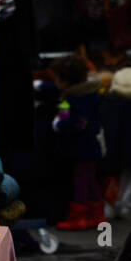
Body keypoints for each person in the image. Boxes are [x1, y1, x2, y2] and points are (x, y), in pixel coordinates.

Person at [49, 54, 106, 231]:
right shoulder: (77, 94)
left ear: (67, 81)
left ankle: (78, 216)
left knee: (81, 181)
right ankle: (97, 215)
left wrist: (60, 124)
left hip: (84, 148)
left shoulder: (79, 99)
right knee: (90, 180)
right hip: (89, 147)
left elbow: (78, 123)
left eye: (57, 80)